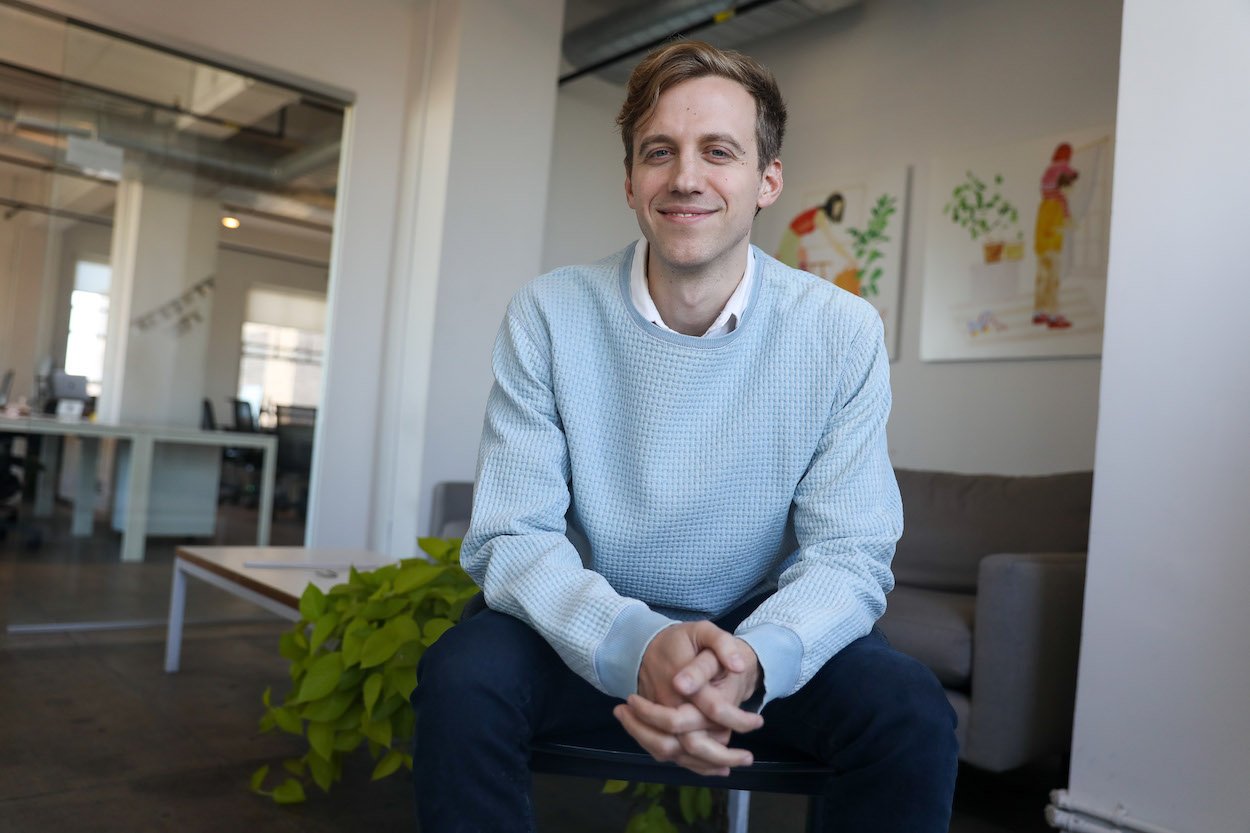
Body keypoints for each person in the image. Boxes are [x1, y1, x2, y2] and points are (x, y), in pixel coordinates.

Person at [413, 40, 957, 833]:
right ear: (630, 179)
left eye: (719, 152)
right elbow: (512, 535)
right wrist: (639, 644)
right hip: (592, 622)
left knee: (908, 711)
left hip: (757, 633)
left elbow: (850, 554)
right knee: (463, 678)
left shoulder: (840, 331)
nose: (686, 177)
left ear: (768, 179)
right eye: (659, 151)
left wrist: (750, 659)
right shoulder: (549, 314)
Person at [1033, 142, 1080, 329]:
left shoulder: (1045, 203)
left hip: (1041, 246)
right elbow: (1059, 226)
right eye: (1071, 186)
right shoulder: (1059, 204)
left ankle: (1039, 312)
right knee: (1052, 281)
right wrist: (1067, 225)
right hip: (1053, 247)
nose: (1072, 190)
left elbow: (1042, 228)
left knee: (1042, 279)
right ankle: (1053, 315)